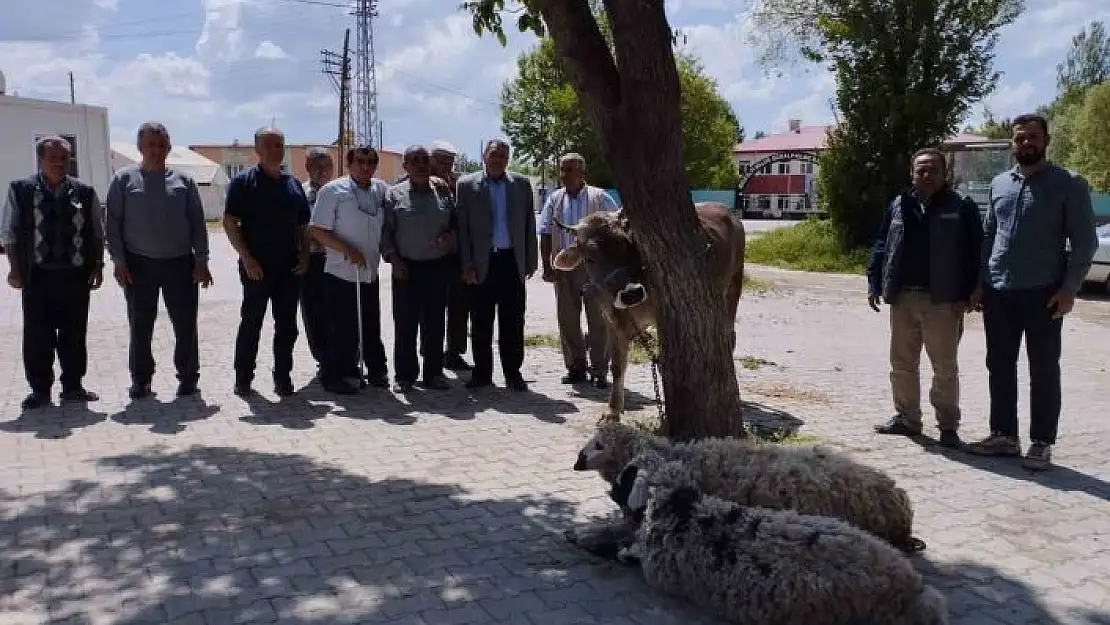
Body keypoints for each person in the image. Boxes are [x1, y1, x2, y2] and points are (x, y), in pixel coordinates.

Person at [965, 113, 1098, 470]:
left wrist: (1070, 289)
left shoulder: (1069, 183)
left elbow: (1085, 243)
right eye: (1020, 138)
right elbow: (990, 236)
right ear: (1012, 143)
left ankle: (1041, 442)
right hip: (999, 292)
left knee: (1043, 368)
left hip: (1045, 294)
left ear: (1046, 140)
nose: (1026, 143)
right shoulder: (998, 184)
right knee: (1000, 365)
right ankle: (1004, 436)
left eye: (1033, 137)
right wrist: (980, 284)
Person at [866, 148, 983, 448]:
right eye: (921, 170)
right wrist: (874, 281)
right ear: (912, 174)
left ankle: (947, 426)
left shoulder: (961, 206)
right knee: (902, 363)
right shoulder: (898, 205)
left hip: (943, 302)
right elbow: (882, 243)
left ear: (945, 174)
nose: (927, 175)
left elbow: (977, 253)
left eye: (933, 170)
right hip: (903, 298)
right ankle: (908, 419)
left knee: (944, 367)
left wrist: (971, 293)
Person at [105, 122, 213, 400]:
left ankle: (188, 377)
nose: (156, 150)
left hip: (180, 264)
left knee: (185, 324)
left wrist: (201, 260)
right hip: (139, 265)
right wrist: (118, 260)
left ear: (169, 147)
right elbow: (112, 223)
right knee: (140, 325)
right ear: (140, 147)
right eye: (150, 145)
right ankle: (141, 380)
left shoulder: (184, 181)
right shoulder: (123, 179)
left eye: (161, 145)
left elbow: (197, 223)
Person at [1, 135, 105, 410]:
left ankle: (73, 387)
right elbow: (9, 233)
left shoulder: (84, 192)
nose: (59, 163)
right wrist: (15, 269)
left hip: (75, 276)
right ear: (41, 160)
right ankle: (39, 391)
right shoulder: (21, 190)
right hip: (37, 276)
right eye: (53, 159)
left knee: (74, 335)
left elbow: (97, 232)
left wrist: (98, 265)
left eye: (64, 158)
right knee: (38, 336)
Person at [223, 127, 311, 398]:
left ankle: (282, 377)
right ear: (257, 150)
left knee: (287, 326)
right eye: (270, 145)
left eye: (279, 144)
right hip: (256, 268)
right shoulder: (243, 183)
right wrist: (246, 258)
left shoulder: (293, 184)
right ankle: (243, 378)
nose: (276, 149)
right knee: (252, 323)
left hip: (289, 268)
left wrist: (305, 254)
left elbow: (302, 224)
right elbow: (229, 222)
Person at [455, 139, 537, 391]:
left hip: (511, 262)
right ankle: (481, 373)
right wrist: (466, 264)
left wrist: (530, 260)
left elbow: (529, 224)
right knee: (481, 321)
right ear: (484, 156)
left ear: (508, 158)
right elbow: (463, 229)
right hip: (482, 263)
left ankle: (513, 373)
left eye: (503, 155)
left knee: (513, 321)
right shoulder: (467, 185)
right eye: (494, 154)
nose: (498, 159)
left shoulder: (521, 185)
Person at [309, 145, 391, 395]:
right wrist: (347, 249)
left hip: (369, 272)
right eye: (360, 162)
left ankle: (374, 369)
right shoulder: (332, 191)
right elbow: (317, 230)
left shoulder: (381, 189)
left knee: (370, 324)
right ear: (349, 164)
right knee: (341, 327)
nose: (365, 168)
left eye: (370, 163)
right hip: (341, 272)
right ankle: (332, 375)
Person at [537, 152, 619, 389]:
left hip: (596, 270)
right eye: (562, 170)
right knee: (567, 319)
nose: (565, 175)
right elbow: (544, 232)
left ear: (583, 172)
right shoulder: (554, 199)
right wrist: (547, 265)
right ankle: (575, 367)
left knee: (599, 320)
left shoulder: (600, 197)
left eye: (570, 169)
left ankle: (600, 370)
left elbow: (617, 226)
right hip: (564, 267)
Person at [381, 145, 455, 392]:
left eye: (425, 160)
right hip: (406, 269)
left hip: (436, 268)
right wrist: (393, 259)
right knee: (405, 325)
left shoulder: (443, 192)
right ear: (406, 167)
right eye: (415, 161)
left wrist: (450, 237)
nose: (421, 165)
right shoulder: (394, 195)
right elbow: (386, 233)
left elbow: (455, 223)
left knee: (434, 324)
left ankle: (434, 374)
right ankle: (404, 376)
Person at [429, 140, 473, 372]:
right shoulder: (416, 181)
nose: (446, 165)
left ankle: (454, 353)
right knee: (430, 309)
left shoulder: (460, 185)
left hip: (455, 257)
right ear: (431, 160)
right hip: (428, 258)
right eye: (441, 160)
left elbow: (465, 219)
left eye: (450, 161)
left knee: (458, 308)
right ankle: (430, 354)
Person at [300, 147, 335, 381]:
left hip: (337, 260)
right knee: (314, 313)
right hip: (310, 261)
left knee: (339, 312)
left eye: (326, 166)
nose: (322, 171)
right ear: (307, 168)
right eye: (317, 166)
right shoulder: (299, 193)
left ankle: (345, 358)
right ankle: (324, 360)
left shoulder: (341, 191)